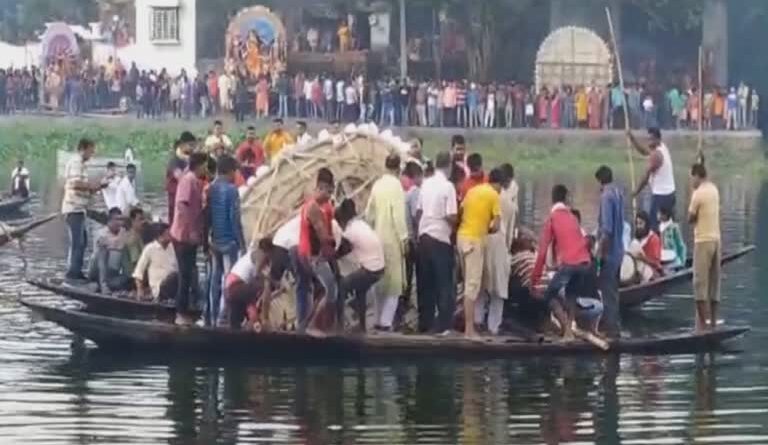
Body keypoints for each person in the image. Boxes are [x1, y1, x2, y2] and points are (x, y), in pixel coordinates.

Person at [531, 185, 592, 341]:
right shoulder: (572, 218)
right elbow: (583, 240)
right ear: (565, 199)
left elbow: (542, 251)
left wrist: (535, 279)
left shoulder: (552, 219)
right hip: (585, 263)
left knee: (549, 295)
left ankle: (567, 331)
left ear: (552, 199)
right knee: (571, 294)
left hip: (570, 263)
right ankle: (569, 329)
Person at [365, 154, 408, 332]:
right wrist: (404, 238)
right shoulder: (396, 186)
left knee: (379, 279)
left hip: (377, 238)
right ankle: (386, 322)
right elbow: (398, 215)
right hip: (392, 239)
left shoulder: (378, 185)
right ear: (398, 168)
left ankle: (376, 319)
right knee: (395, 283)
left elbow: (369, 214)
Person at [457, 168, 502, 338]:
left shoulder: (473, 190)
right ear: (498, 184)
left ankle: (467, 325)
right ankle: (469, 330)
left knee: (468, 282)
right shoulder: (494, 195)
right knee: (472, 286)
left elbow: (461, 212)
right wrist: (486, 229)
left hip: (461, 238)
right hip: (474, 241)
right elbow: (496, 226)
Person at [416, 151, 458, 334]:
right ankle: (443, 326)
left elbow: (418, 212)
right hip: (440, 239)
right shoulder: (448, 186)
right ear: (448, 166)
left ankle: (424, 324)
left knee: (426, 285)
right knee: (444, 285)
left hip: (423, 237)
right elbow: (451, 215)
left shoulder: (425, 184)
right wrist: (456, 225)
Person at [296, 168, 338, 333]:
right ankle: (313, 325)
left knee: (321, 291)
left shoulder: (323, 206)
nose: (330, 195)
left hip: (314, 255)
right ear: (320, 188)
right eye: (328, 191)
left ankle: (306, 326)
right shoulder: (313, 208)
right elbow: (323, 237)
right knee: (331, 290)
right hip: (311, 256)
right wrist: (337, 241)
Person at [478, 165, 518, 335]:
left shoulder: (480, 195)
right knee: (499, 290)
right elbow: (509, 234)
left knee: (480, 285)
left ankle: (477, 321)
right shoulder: (509, 204)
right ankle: (494, 327)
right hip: (500, 244)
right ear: (504, 183)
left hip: (480, 241)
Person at [206, 155, 246, 327]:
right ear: (230, 171)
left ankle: (212, 317)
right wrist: (242, 243)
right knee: (230, 281)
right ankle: (226, 318)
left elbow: (207, 215)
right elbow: (234, 218)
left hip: (214, 241)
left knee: (215, 280)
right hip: (229, 242)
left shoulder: (211, 188)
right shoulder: (232, 190)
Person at [170, 152, 208, 326]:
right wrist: (192, 229)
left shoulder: (195, 181)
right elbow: (181, 204)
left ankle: (188, 308)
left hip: (188, 236)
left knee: (190, 272)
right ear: (199, 165)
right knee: (185, 274)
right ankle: (180, 312)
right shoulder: (189, 180)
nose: (206, 169)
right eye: (205, 165)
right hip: (183, 235)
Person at [335, 199, 385, 332]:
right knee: (360, 290)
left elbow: (341, 251)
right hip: (380, 268)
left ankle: (338, 326)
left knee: (341, 287)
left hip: (370, 269)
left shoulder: (349, 231)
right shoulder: (361, 224)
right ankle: (362, 326)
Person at [62, 138, 102, 281]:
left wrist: (98, 186)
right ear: (83, 149)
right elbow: (74, 183)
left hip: (80, 209)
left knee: (82, 241)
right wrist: (91, 186)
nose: (93, 153)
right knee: (77, 242)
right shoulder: (76, 162)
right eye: (91, 150)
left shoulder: (82, 165)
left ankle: (76, 270)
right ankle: (72, 273)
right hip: (73, 208)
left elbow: (83, 187)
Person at [688, 163, 721, 333]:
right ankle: (713, 322)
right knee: (714, 282)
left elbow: (690, 218)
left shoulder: (698, 194)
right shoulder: (714, 189)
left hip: (703, 241)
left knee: (699, 283)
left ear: (696, 175)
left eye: (691, 177)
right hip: (716, 240)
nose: (691, 181)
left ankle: (703, 324)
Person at [594, 165, 624, 338]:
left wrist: (600, 254)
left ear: (600, 180)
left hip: (610, 253)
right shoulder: (618, 194)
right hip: (620, 252)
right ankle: (614, 326)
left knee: (607, 292)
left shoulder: (606, 196)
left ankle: (611, 331)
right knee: (614, 293)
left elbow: (607, 231)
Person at [628, 127, 676, 232]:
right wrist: (632, 139)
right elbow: (644, 151)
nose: (649, 142)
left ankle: (658, 246)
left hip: (662, 196)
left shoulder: (657, 155)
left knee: (655, 228)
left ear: (658, 140)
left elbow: (645, 177)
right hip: (668, 194)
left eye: (652, 139)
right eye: (648, 139)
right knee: (666, 226)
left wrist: (636, 192)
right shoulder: (660, 147)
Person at [88, 207, 132, 293]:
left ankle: (106, 285)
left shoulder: (123, 232)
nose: (120, 223)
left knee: (127, 277)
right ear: (110, 220)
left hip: (113, 274)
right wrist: (119, 241)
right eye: (117, 219)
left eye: (121, 220)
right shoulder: (100, 232)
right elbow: (106, 243)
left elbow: (122, 245)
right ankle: (103, 284)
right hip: (98, 270)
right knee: (103, 250)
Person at [133, 222, 178, 302]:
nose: (170, 236)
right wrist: (140, 291)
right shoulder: (150, 248)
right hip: (159, 288)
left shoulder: (173, 248)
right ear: (159, 236)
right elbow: (138, 272)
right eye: (167, 234)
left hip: (175, 286)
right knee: (174, 277)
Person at [166, 131, 197, 224]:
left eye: (193, 146)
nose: (193, 148)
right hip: (176, 198)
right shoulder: (174, 161)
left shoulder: (188, 159)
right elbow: (180, 177)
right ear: (182, 145)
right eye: (190, 145)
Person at [627, 211, 663, 281]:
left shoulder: (654, 239)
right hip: (635, 272)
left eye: (641, 223)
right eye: (637, 223)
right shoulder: (636, 239)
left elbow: (656, 263)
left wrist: (643, 258)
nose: (638, 226)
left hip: (651, 273)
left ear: (646, 224)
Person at [659, 206, 686, 270]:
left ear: (665, 215)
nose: (658, 216)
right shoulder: (661, 227)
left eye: (660, 214)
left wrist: (682, 261)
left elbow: (680, 244)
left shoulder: (674, 227)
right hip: (664, 259)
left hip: (673, 259)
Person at [124, 207, 146, 274]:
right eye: (140, 219)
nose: (143, 222)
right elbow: (135, 262)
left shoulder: (138, 235)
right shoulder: (133, 239)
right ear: (133, 221)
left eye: (143, 219)